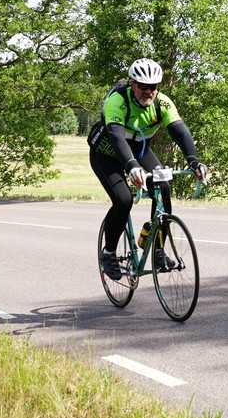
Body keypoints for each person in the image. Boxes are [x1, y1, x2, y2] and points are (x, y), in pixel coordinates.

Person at [89, 58, 208, 280]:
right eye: (143, 86)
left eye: (153, 87)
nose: (148, 91)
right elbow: (115, 136)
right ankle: (109, 253)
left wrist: (194, 161)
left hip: (140, 150)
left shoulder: (162, 103)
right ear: (133, 84)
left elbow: (180, 131)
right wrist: (132, 166)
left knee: (163, 187)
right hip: (107, 153)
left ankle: (157, 249)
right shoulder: (118, 101)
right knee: (123, 200)